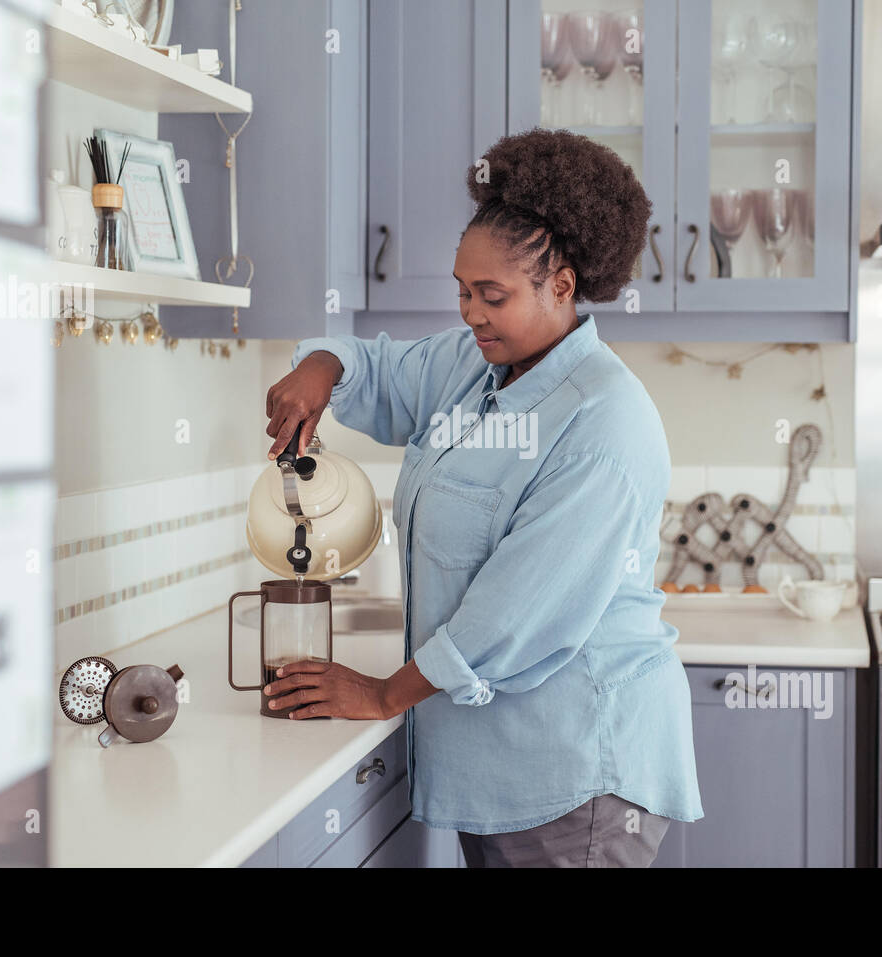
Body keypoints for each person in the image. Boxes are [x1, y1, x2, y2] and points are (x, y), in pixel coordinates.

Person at [262, 128, 702, 867]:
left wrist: (378, 696)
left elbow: (511, 616)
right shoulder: (474, 368)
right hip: (499, 767)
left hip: (575, 777)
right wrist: (322, 365)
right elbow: (379, 366)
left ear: (561, 284)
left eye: (491, 295)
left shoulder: (605, 423)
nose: (469, 313)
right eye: (462, 291)